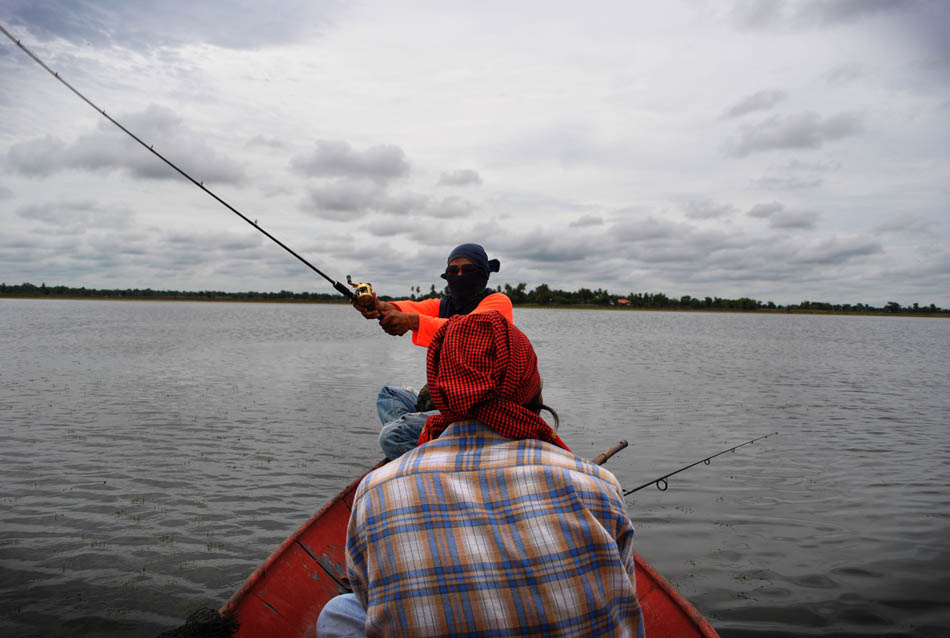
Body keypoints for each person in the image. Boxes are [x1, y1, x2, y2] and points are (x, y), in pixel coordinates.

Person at [317, 311, 645, 638]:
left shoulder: (375, 491)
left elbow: (368, 594)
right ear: (528, 381)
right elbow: (625, 612)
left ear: (439, 384)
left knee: (339, 612)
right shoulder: (599, 485)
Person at [355, 243, 514, 459]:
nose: (459, 276)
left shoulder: (497, 302)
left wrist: (411, 321)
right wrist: (377, 306)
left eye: (467, 271)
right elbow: (409, 308)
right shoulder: (444, 305)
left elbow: (467, 329)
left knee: (392, 436)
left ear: (483, 275)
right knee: (389, 395)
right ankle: (439, 441)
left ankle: (428, 446)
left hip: (479, 408)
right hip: (447, 401)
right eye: (452, 271)